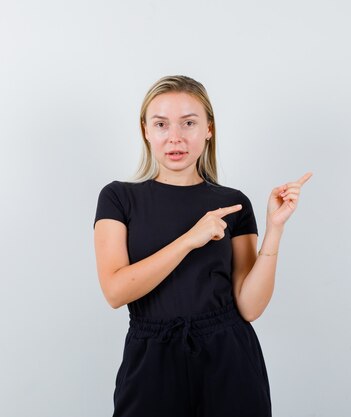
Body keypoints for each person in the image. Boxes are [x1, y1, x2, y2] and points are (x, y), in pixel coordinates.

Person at [93, 74, 312, 417]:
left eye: (189, 123)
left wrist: (275, 229)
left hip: (229, 361)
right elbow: (115, 291)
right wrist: (189, 240)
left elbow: (250, 307)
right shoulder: (119, 198)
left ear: (209, 128)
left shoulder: (233, 203)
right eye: (162, 124)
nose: (175, 137)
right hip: (151, 361)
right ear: (145, 130)